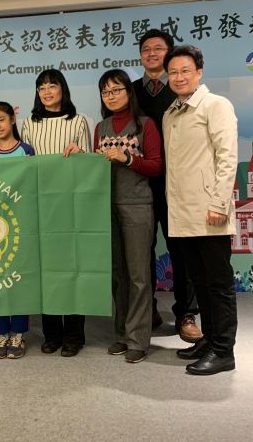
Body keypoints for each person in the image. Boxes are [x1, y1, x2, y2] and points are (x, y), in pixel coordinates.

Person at [163, 45, 238, 375]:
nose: (179, 77)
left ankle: (223, 350)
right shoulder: (170, 114)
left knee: (218, 284)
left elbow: (227, 157)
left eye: (185, 70)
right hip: (183, 215)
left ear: (199, 72)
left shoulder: (215, 105)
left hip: (210, 212)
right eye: (173, 72)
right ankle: (209, 340)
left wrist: (219, 203)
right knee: (200, 282)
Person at [133, 29, 201, 342]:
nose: (151, 53)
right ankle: (147, 310)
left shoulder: (180, 88)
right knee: (141, 250)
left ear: (169, 53)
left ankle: (186, 313)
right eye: (146, 49)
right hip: (139, 183)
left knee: (181, 250)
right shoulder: (131, 91)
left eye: (158, 48)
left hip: (177, 183)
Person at [21, 69, 92, 357]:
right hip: (40, 206)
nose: (47, 92)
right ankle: (51, 333)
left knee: (72, 269)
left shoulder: (80, 120)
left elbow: (89, 166)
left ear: (63, 89)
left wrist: (80, 153)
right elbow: (23, 165)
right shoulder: (29, 123)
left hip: (71, 206)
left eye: (52, 85)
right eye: (41, 87)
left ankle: (74, 334)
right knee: (46, 272)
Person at [95, 69, 162, 363]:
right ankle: (121, 334)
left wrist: (127, 158)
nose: (111, 96)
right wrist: (80, 154)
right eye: (105, 92)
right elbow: (94, 166)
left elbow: (156, 166)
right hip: (106, 206)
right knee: (117, 274)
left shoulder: (146, 125)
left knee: (138, 276)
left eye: (116, 90)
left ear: (128, 92)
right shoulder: (101, 127)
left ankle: (138, 339)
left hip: (137, 205)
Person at [0, 102, 35, 359]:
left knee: (18, 280)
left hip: (20, 224)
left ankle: (19, 333)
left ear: (12, 120)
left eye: (1, 119)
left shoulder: (26, 151)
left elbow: (32, 185)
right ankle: (1, 332)